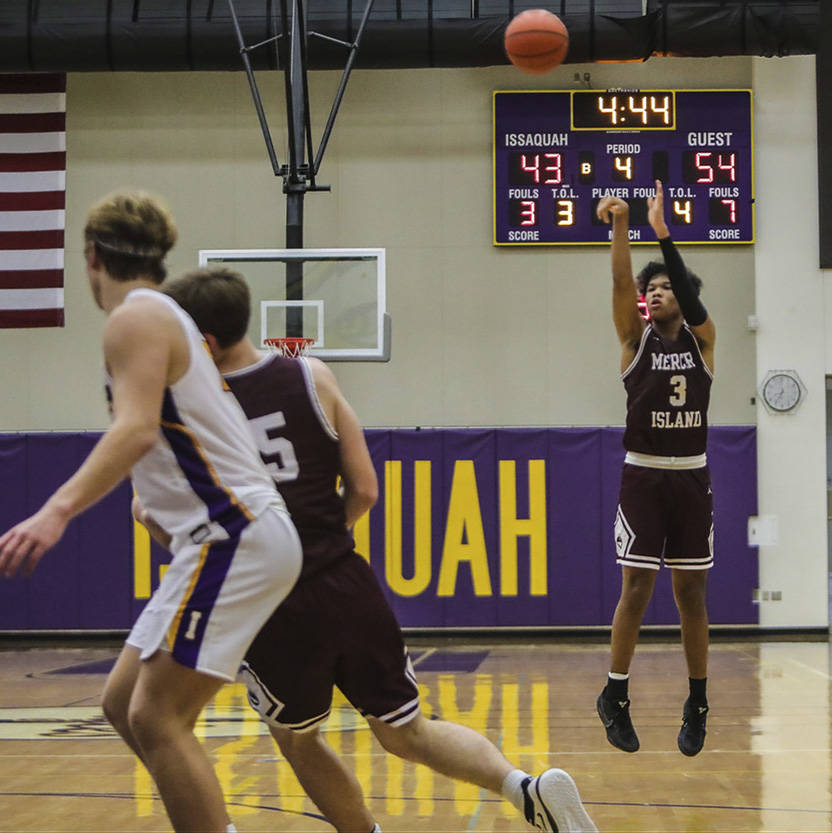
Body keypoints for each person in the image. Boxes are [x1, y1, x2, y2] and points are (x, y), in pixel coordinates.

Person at [147, 265, 598, 833]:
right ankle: (524, 787)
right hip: (346, 580)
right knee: (408, 728)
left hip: (268, 599)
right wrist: (322, 538)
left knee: (297, 736)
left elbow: (151, 515)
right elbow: (365, 489)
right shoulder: (313, 376)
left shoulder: (195, 412)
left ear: (202, 341)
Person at [0, 191, 302, 833]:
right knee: (120, 704)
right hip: (222, 533)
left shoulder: (135, 318)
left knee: (155, 717)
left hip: (233, 532)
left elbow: (136, 430)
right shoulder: (167, 315)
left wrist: (55, 511)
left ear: (91, 258)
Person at [595, 180, 716, 757]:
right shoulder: (633, 340)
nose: (659, 292)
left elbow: (693, 306)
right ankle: (615, 693)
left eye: (669, 287)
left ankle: (698, 700)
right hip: (644, 473)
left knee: (691, 591)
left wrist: (664, 233)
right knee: (637, 585)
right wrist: (622, 223)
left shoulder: (704, 342)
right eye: (654, 288)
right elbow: (622, 282)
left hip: (692, 475)